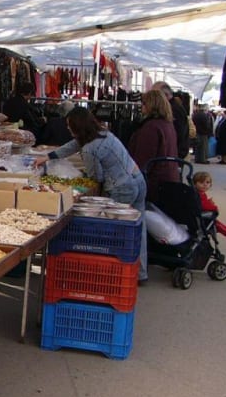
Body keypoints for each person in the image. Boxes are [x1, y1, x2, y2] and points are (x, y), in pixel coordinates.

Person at [34, 107, 149, 282]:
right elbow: (74, 145)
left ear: (78, 128)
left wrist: (81, 176)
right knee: (138, 228)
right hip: (137, 179)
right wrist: (49, 156)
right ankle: (140, 273)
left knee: (115, 232)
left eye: (69, 125)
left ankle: (115, 272)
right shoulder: (103, 133)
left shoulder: (89, 149)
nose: (67, 128)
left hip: (121, 187)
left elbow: (97, 177)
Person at [128, 88, 179, 202]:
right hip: (169, 179)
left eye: (144, 103)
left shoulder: (151, 127)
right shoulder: (167, 124)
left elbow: (143, 158)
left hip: (154, 182)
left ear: (151, 105)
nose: (141, 106)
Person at [192, 171, 226, 242]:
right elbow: (204, 205)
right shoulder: (199, 195)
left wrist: (208, 202)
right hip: (200, 218)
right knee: (215, 223)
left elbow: (202, 203)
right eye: (201, 182)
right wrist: (214, 207)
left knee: (215, 223)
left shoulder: (196, 193)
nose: (205, 184)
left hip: (196, 215)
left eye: (207, 182)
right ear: (194, 184)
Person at [152, 81, 190, 159]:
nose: (153, 98)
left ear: (165, 95)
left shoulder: (173, 109)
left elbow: (178, 133)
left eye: (155, 95)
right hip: (174, 153)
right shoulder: (173, 107)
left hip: (174, 154)